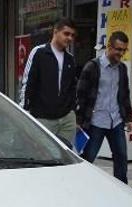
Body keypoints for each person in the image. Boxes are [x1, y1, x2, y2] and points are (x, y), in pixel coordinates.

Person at [76, 31, 132, 184]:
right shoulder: (92, 67)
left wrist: (128, 117)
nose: (121, 53)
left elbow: (124, 94)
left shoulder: (122, 69)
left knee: (121, 157)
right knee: (89, 157)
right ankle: (81, 186)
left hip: (116, 120)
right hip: (96, 121)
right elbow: (80, 94)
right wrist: (78, 120)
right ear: (109, 47)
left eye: (123, 50)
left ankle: (123, 190)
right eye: (118, 49)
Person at [19, 18, 78, 147]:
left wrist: (72, 111)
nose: (69, 38)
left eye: (72, 35)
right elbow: (28, 82)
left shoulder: (70, 59)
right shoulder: (39, 52)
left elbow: (72, 87)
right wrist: (25, 111)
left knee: (64, 157)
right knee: (41, 155)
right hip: (43, 118)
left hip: (66, 119)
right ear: (55, 32)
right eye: (66, 34)